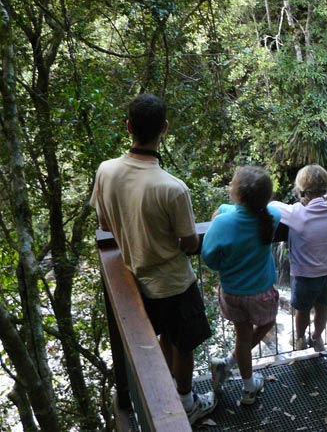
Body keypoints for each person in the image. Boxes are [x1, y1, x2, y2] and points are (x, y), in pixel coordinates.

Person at [90, 93, 216, 424]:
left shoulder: (106, 171)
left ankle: (165, 394)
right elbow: (189, 243)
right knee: (184, 344)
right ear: (165, 129)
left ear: (128, 126)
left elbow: (105, 224)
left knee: (161, 337)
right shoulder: (172, 188)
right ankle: (187, 402)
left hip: (133, 280)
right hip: (173, 282)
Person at [202, 166, 280, 405]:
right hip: (261, 292)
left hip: (233, 292)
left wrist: (222, 213)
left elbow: (210, 260)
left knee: (243, 338)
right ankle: (243, 380)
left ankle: (235, 371)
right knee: (267, 323)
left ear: (239, 195)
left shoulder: (222, 223)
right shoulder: (273, 216)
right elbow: (251, 213)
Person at [269, 164, 327, 352]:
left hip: (306, 275)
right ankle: (317, 338)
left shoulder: (296, 212)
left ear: (302, 190)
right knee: (322, 308)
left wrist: (300, 201)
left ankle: (301, 339)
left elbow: (270, 205)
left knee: (302, 310)